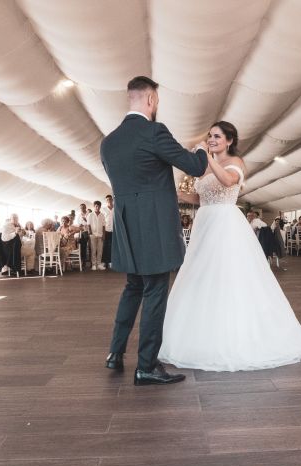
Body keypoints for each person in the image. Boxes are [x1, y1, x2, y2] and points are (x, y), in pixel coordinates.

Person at [159, 120, 301, 372]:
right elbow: (201, 196)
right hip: (204, 222)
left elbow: (226, 182)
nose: (212, 139)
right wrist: (179, 194)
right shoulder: (205, 166)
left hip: (225, 224)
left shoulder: (235, 163)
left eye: (217, 136)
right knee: (202, 276)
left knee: (229, 276)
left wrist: (204, 154)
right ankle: (202, 334)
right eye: (210, 136)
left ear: (229, 140)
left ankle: (235, 335)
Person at [101, 75, 208, 385]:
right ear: (150, 100)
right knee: (156, 291)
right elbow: (195, 167)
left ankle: (115, 353)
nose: (156, 105)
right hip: (153, 226)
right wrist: (200, 149)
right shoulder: (153, 132)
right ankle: (146, 365)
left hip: (126, 227)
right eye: (157, 100)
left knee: (133, 287)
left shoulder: (109, 142)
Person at [87, 201, 107, 270]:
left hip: (100, 234)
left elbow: (104, 225)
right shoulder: (90, 214)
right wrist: (90, 233)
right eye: (96, 206)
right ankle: (93, 265)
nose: (97, 207)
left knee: (100, 250)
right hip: (93, 234)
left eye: (98, 206)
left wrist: (104, 234)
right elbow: (88, 224)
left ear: (100, 207)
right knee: (93, 250)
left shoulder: (102, 215)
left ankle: (99, 264)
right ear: (94, 206)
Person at [102, 195, 114, 269]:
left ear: (112, 199)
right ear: (106, 201)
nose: (109, 200)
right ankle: (105, 262)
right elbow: (102, 221)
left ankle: (112, 261)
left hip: (114, 230)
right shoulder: (104, 209)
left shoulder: (115, 208)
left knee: (113, 247)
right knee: (105, 246)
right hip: (106, 230)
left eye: (110, 199)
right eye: (107, 199)